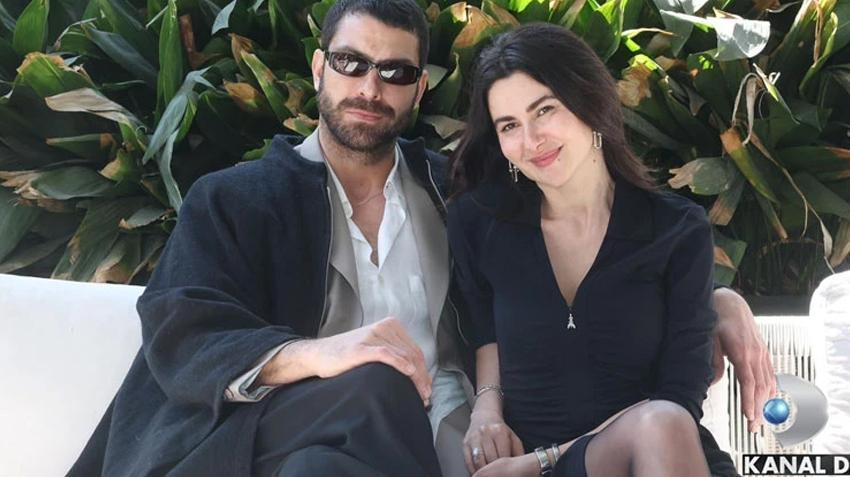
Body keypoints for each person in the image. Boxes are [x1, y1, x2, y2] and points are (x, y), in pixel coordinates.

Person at [67, 2, 773, 476]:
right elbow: (180, 323)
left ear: (417, 89)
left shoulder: (459, 196)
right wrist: (320, 354)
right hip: (291, 440)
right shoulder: (238, 198)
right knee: (368, 392)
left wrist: (716, 298)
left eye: (395, 72)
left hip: (452, 448)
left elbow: (596, 256)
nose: (369, 87)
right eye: (351, 63)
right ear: (318, 69)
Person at [447, 24, 762, 477]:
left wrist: (539, 462)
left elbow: (679, 398)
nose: (531, 140)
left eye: (545, 110)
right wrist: (485, 413)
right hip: (533, 464)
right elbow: (486, 335)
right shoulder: (480, 222)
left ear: (589, 102)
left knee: (662, 421)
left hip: (654, 458)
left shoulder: (676, 230)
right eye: (510, 126)